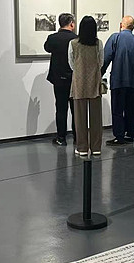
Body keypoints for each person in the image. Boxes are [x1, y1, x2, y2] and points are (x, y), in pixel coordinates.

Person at [102, 15, 134, 146]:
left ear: (121, 25)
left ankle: (119, 136)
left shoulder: (115, 38)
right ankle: (130, 134)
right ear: (132, 27)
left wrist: (99, 74)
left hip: (118, 80)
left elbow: (106, 58)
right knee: (131, 110)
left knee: (117, 110)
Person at [68, 16, 104, 156]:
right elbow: (101, 62)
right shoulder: (98, 43)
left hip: (79, 82)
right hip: (94, 81)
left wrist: (80, 71)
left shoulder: (73, 43)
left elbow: (71, 63)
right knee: (96, 117)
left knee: (80, 117)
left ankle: (82, 147)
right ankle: (96, 147)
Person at [44, 13, 77, 146]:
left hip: (58, 79)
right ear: (72, 24)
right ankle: (77, 137)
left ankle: (61, 138)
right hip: (74, 79)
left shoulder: (53, 38)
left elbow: (47, 48)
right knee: (76, 110)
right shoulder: (76, 39)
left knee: (61, 108)